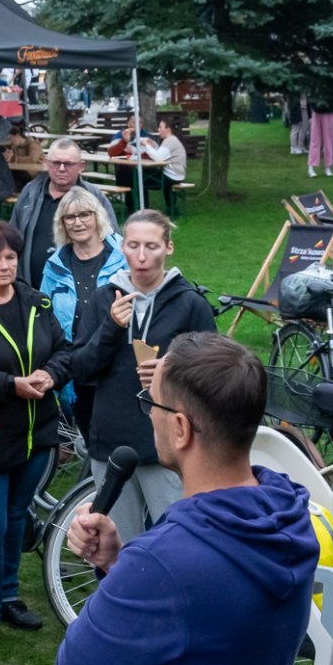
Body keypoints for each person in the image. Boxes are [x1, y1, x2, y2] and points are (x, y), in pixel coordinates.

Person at [58, 332, 318, 665]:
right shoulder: (290, 519)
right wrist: (117, 565)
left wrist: (127, 572)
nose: (148, 414)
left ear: (180, 429)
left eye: (150, 402)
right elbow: (209, 618)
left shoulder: (161, 563)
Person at [69, 210, 216, 541]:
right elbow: (80, 369)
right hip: (111, 443)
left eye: (151, 246)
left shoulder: (191, 304)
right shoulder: (105, 298)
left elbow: (216, 376)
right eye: (133, 245)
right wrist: (112, 327)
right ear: (122, 246)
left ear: (169, 248)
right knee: (116, 547)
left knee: (178, 543)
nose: (141, 256)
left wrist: (170, 369)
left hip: (168, 446)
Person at [0, 220, 71, 650]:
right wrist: (9, 386)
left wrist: (49, 374)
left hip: (35, 436)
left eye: (10, 257)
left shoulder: (36, 301)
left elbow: (64, 351)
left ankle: (8, 596)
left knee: (13, 520)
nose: (5, 265)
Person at [40, 187, 126, 441]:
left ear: (97, 216)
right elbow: (44, 320)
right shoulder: (55, 266)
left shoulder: (124, 257)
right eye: (70, 217)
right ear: (62, 224)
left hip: (117, 361)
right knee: (91, 437)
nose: (78, 222)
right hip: (75, 365)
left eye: (84, 215)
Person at [10, 139, 117, 288]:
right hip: (31, 290)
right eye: (55, 163)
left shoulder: (95, 198)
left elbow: (114, 245)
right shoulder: (30, 193)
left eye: (68, 164)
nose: (61, 168)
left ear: (81, 166)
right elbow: (12, 237)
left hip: (81, 292)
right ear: (47, 163)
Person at [134, 119, 188, 216]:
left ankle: (144, 211)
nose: (158, 130)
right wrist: (152, 145)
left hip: (173, 175)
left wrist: (146, 145)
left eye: (160, 127)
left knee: (140, 179)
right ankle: (170, 209)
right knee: (144, 175)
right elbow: (161, 154)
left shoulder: (170, 140)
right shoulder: (171, 140)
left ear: (168, 129)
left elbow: (158, 158)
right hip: (175, 174)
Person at [307, 96, 333, 178]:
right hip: (317, 113)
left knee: (328, 141)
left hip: (329, 113)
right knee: (315, 140)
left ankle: (328, 167)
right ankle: (311, 167)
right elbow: (311, 98)